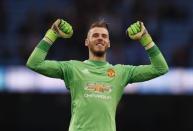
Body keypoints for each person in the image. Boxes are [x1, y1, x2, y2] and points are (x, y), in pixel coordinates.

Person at [26, 18, 169, 131]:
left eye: (104, 36)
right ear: (86, 42)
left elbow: (160, 68)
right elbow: (34, 63)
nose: (100, 38)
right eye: (95, 35)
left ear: (108, 43)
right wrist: (52, 33)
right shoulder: (72, 68)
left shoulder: (121, 72)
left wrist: (145, 38)